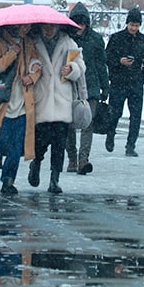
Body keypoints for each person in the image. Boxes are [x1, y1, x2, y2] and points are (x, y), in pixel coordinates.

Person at [0, 24, 41, 195]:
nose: (25, 29)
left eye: (28, 26)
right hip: (3, 104)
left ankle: (8, 179)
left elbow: (36, 63)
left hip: (23, 104)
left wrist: (34, 74)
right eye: (22, 26)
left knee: (16, 146)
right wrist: (11, 53)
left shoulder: (28, 42)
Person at [28, 22, 86, 194]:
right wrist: (33, 67)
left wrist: (71, 69)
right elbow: (27, 62)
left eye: (51, 28)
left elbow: (81, 66)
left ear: (58, 28)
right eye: (45, 28)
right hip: (43, 100)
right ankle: (36, 163)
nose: (48, 31)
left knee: (59, 145)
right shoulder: (34, 42)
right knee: (40, 143)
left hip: (62, 101)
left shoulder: (69, 43)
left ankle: (54, 179)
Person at [104, 7, 144, 157]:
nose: (134, 28)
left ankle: (131, 145)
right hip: (118, 82)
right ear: (127, 23)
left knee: (136, 116)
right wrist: (119, 62)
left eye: (137, 25)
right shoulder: (116, 38)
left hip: (136, 84)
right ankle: (110, 134)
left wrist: (142, 77)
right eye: (131, 25)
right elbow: (106, 58)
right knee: (114, 113)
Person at [66, 2, 108, 175]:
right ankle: (72, 158)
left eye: (82, 23)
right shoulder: (66, 39)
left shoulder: (96, 40)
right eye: (77, 23)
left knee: (87, 124)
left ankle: (83, 159)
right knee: (68, 124)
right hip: (69, 85)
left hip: (90, 86)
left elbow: (101, 65)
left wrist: (105, 87)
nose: (80, 27)